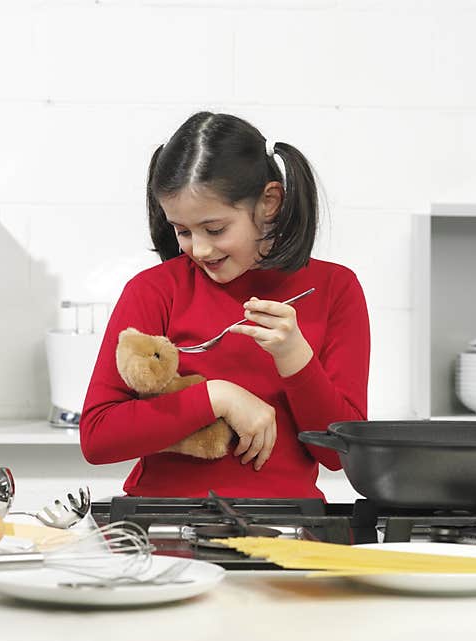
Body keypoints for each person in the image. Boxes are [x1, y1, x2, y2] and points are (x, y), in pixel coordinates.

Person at [80, 111, 370, 500]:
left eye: (215, 229)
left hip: (288, 528)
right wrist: (216, 397)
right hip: (162, 523)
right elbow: (98, 438)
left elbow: (338, 455)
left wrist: (295, 358)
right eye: (182, 231)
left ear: (269, 202)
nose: (199, 249)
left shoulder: (335, 289)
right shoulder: (153, 291)